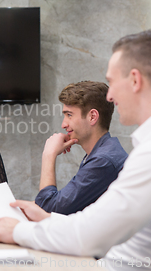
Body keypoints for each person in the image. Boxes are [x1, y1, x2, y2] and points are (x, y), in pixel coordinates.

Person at [0, 30, 151, 270]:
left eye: (112, 82)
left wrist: (19, 231)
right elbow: (98, 224)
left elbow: (88, 236)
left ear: (135, 80)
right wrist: (49, 219)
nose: (110, 96)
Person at [35, 81, 128, 214]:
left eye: (69, 115)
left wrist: (48, 155)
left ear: (92, 117)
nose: (63, 124)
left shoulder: (103, 161)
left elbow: (49, 209)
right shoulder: (104, 151)